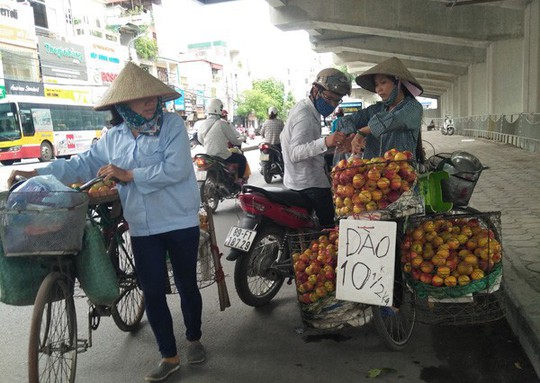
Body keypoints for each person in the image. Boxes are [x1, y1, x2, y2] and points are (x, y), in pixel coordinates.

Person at [8, 62, 205, 382]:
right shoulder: (113, 137)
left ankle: (194, 337)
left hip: (180, 220)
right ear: (122, 103)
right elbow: (80, 165)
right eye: (140, 97)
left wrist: (128, 175)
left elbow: (178, 170)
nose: (149, 101)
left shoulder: (172, 126)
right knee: (153, 291)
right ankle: (169, 355)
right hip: (143, 226)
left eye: (152, 95)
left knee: (185, 284)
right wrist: (37, 173)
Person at [280, 68, 351, 227]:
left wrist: (331, 145)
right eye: (329, 98)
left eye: (336, 100)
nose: (332, 104)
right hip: (310, 184)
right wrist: (325, 142)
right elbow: (294, 153)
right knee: (330, 228)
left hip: (296, 179)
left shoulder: (305, 107)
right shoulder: (305, 115)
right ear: (315, 90)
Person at [336, 57, 424, 161]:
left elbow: (396, 119)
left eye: (383, 82)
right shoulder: (374, 110)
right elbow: (345, 120)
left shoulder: (413, 108)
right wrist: (349, 135)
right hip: (372, 175)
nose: (379, 89)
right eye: (376, 85)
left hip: (401, 174)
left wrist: (363, 131)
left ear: (398, 82)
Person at [197, 98, 248, 181]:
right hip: (222, 155)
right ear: (218, 109)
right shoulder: (222, 124)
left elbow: (200, 140)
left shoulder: (202, 124)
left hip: (209, 156)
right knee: (242, 159)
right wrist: (242, 138)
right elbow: (234, 141)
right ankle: (239, 181)